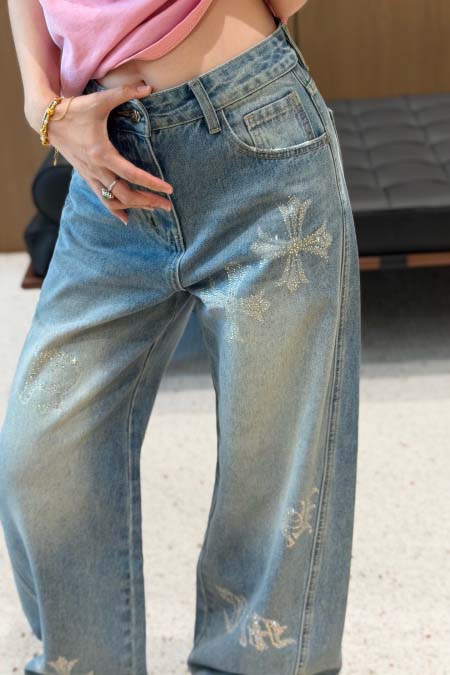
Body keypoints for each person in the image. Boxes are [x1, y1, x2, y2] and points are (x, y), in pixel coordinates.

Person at [1, 0, 361, 673]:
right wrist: (40, 101)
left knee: (271, 483)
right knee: (39, 458)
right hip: (105, 162)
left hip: (252, 131)